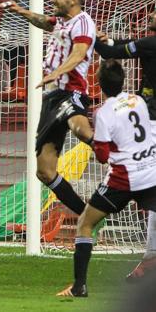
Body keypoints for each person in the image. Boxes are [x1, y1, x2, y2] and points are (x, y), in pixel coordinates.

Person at [57, 59, 156, 297]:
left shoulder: (103, 113)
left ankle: (79, 286)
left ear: (99, 85)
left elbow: (101, 156)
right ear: (124, 81)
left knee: (85, 224)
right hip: (150, 174)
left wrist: (84, 134)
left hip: (122, 180)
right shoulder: (139, 100)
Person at [1, 0, 96, 217]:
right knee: (44, 171)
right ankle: (86, 215)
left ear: (73, 0)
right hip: (52, 97)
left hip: (71, 91)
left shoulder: (83, 22)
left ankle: (123, 154)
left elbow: (78, 54)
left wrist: (54, 73)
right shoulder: (63, 21)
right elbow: (43, 21)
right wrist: (20, 10)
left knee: (81, 129)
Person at [94, 11, 156, 281]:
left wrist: (94, 41)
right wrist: (113, 40)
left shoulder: (151, 44)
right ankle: (149, 259)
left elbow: (116, 51)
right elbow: (131, 43)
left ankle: (150, 260)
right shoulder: (149, 43)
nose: (152, 13)